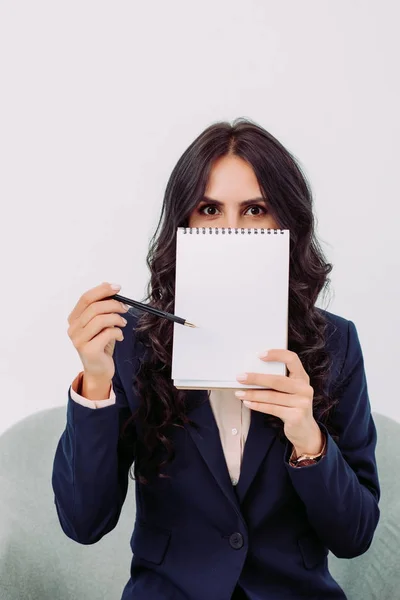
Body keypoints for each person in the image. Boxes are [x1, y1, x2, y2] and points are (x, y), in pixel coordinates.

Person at [52, 118, 380, 600]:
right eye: (209, 209)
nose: (231, 230)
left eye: (254, 209)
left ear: (284, 223)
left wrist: (307, 438)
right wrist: (97, 382)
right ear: (184, 224)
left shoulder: (336, 342)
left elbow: (355, 537)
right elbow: (83, 522)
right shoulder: (134, 345)